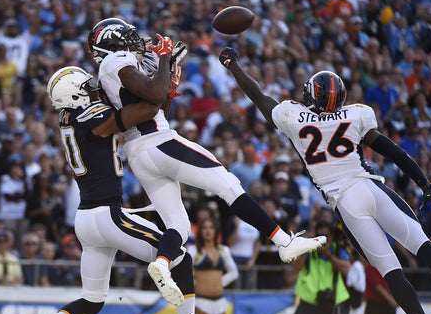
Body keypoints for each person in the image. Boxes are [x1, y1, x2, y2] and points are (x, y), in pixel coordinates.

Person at [219, 46, 431, 314]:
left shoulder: (294, 117)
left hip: (346, 203)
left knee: (390, 271)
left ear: (311, 96)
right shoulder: (357, 114)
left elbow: (258, 96)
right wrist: (427, 187)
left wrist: (234, 66)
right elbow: (395, 153)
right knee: (424, 247)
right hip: (371, 188)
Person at [19, 66, 229, 314]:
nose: (93, 90)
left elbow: (146, 114)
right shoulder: (90, 117)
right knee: (181, 257)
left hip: (86, 220)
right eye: (86, 88)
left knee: (92, 299)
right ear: (75, 96)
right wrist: (165, 80)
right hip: (107, 216)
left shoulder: (68, 118)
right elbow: (147, 110)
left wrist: (163, 92)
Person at [89, 18, 325, 290]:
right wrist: (165, 59)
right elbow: (154, 95)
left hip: (140, 152)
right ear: (112, 42)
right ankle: (284, 242)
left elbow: (157, 108)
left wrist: (170, 75)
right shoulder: (114, 61)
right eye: (126, 37)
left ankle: (162, 262)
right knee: (228, 183)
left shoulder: (112, 71)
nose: (133, 42)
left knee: (179, 225)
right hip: (157, 142)